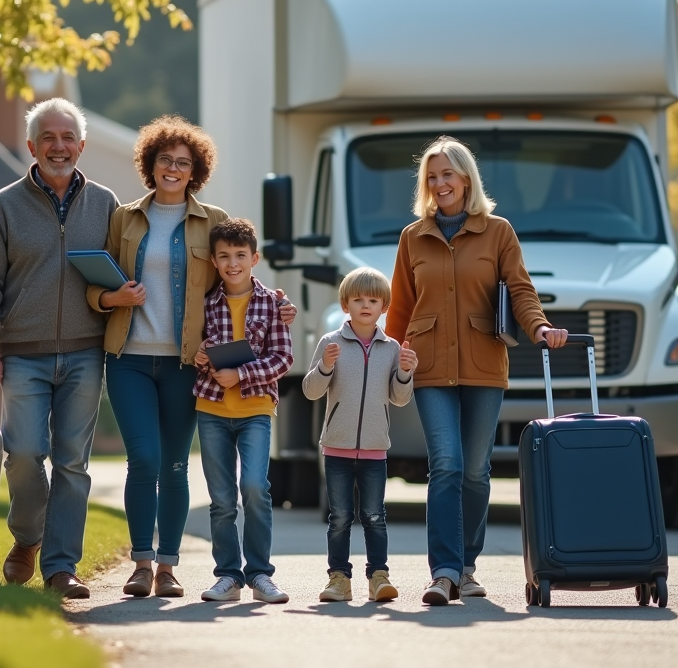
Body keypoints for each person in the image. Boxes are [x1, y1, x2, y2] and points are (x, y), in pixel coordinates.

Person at [91, 116, 297, 599]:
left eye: (183, 162)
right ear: (150, 163)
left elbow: (237, 274)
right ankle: (141, 563)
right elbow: (96, 283)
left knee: (175, 466)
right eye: (165, 159)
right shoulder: (124, 218)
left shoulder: (212, 218)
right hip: (129, 357)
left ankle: (168, 567)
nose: (173, 168)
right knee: (143, 459)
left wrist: (276, 304)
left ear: (195, 170)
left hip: (188, 363)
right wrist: (111, 299)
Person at [385, 135, 568, 606]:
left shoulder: (498, 232)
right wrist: (384, 359)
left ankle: (466, 566)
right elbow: (400, 308)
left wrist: (540, 327)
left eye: (447, 174)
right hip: (429, 366)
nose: (439, 183)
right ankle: (443, 573)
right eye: (432, 176)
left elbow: (520, 291)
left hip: (484, 364)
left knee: (474, 471)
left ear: (466, 179)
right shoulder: (412, 237)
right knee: (445, 464)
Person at [0, 98, 118, 599]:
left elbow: (125, 275)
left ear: (81, 145)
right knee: (25, 454)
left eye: (67, 137)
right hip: (22, 354)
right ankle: (28, 537)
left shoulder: (105, 204)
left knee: (72, 462)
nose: (59, 146)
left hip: (85, 352)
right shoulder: (3, 205)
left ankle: (61, 568)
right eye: (48, 138)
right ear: (32, 147)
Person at [192, 218, 294, 604]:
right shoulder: (205, 303)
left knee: (254, 487)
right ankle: (228, 576)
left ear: (255, 258)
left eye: (239, 255)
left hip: (256, 409)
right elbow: (198, 351)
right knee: (221, 499)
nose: (232, 263)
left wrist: (242, 374)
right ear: (214, 261)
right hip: (212, 409)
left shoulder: (273, 304)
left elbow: (283, 357)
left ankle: (260, 574)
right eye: (224, 256)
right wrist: (201, 356)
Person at [302, 267, 418, 603]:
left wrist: (405, 372)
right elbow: (310, 390)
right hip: (336, 449)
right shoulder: (330, 343)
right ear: (345, 305)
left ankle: (379, 577)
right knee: (339, 518)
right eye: (358, 299)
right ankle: (338, 578)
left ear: (384, 307)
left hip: (374, 450)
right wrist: (325, 366)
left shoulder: (391, 348)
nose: (365, 305)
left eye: (373, 300)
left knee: (374, 517)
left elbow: (399, 398)